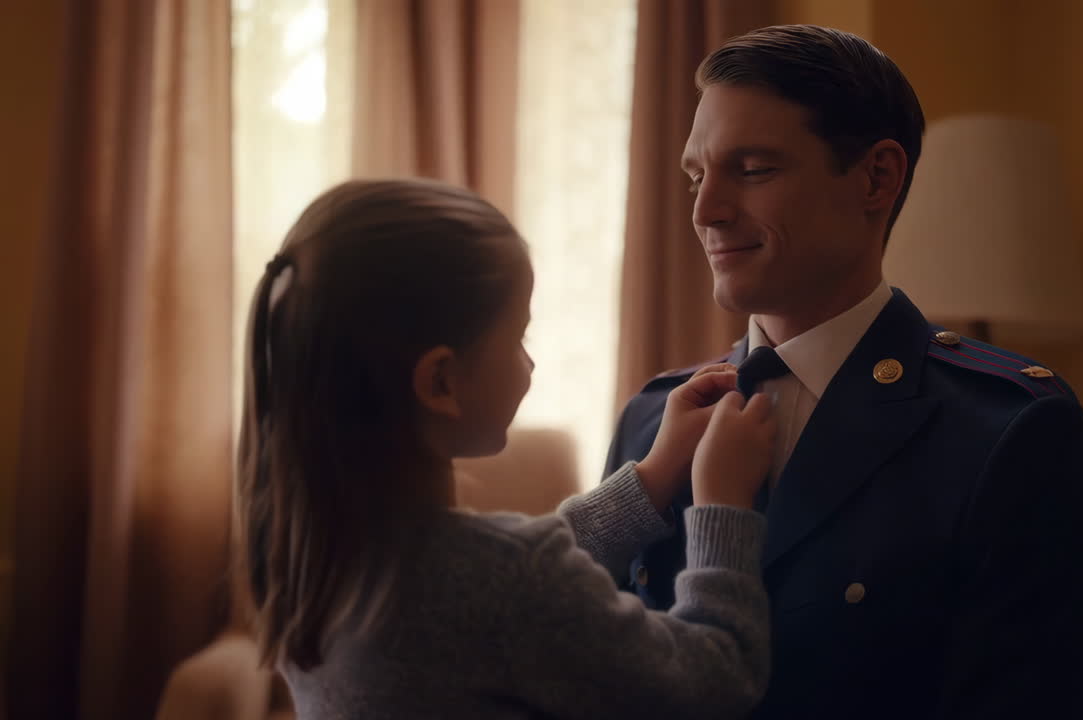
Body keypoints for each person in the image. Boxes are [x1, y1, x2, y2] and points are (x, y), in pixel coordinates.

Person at [605, 25, 1083, 718]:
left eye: (752, 170)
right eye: (697, 175)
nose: (705, 211)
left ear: (877, 177)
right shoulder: (650, 421)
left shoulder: (1008, 429)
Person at [235, 178, 779, 719]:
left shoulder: (307, 553)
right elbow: (717, 680)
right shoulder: (506, 581)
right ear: (441, 382)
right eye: (519, 337)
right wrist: (722, 506)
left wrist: (653, 476)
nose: (530, 363)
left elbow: (504, 589)